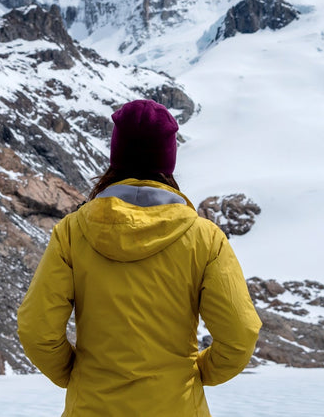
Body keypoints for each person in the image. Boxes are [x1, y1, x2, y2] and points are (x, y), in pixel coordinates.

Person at [17, 99, 261, 416]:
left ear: (115, 156)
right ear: (168, 161)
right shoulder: (205, 238)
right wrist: (197, 373)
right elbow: (240, 336)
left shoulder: (72, 233)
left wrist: (78, 375)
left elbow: (37, 330)